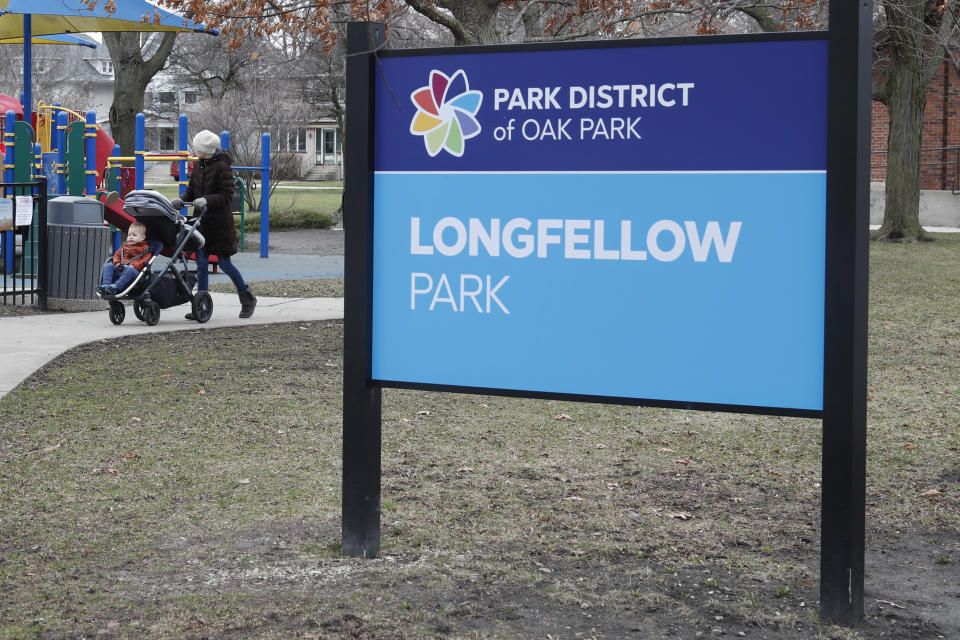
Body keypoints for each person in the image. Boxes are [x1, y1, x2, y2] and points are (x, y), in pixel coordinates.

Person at [171, 130, 256, 319]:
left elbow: (227, 196)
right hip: (201, 223)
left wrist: (207, 200)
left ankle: (247, 297)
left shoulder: (223, 167)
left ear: (205, 149)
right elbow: (192, 190)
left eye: (197, 148)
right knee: (201, 265)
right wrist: (181, 200)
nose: (194, 151)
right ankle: (201, 305)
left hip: (219, 225)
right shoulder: (199, 165)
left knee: (225, 264)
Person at [96, 221, 152, 296]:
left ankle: (115, 287)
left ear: (143, 237)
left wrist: (134, 265)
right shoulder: (124, 247)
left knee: (131, 270)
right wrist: (117, 263)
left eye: (134, 235)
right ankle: (106, 285)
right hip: (121, 268)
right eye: (129, 235)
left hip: (135, 272)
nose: (130, 237)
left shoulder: (145, 249)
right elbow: (116, 255)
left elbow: (145, 260)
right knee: (108, 266)